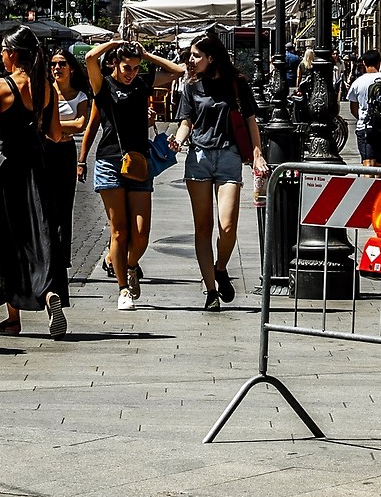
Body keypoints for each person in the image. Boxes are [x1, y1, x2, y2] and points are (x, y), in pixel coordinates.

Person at [0, 25, 68, 338]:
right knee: (40, 232)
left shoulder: (2, 87)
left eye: (3, 51)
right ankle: (48, 293)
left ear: (12, 54)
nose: (2, 56)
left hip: (7, 172)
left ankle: (13, 318)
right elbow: (55, 134)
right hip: (38, 165)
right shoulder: (46, 86)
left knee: (8, 239)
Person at [175, 30, 267, 310]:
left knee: (228, 227)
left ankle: (220, 266)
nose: (191, 60)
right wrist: (178, 140)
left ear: (211, 57)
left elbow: (250, 120)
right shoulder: (191, 85)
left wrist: (257, 153)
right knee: (203, 228)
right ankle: (211, 291)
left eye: (196, 55)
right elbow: (186, 121)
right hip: (199, 157)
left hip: (228, 157)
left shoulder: (237, 83)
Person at [85, 38, 162, 311]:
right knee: (120, 231)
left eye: (135, 68)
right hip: (109, 162)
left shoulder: (141, 86)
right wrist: (114, 41)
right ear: (114, 65)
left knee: (141, 233)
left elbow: (176, 71)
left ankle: (129, 265)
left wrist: (147, 55)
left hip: (139, 162)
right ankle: (123, 289)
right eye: (127, 67)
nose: (131, 73)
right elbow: (90, 59)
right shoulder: (103, 86)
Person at [44, 46, 90, 286]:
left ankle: (61, 258)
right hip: (44, 152)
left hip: (64, 152)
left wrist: (53, 127)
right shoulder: (45, 92)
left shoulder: (79, 95)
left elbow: (81, 124)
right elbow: (39, 121)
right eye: (53, 64)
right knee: (44, 204)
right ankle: (45, 255)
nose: (57, 68)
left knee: (64, 206)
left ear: (71, 68)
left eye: (62, 63)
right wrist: (63, 126)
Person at [344, 54, 381, 169]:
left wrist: (362, 117)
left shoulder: (358, 82)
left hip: (365, 127)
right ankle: (380, 185)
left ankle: (368, 185)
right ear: (379, 63)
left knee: (368, 163)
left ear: (364, 63)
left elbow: (353, 108)